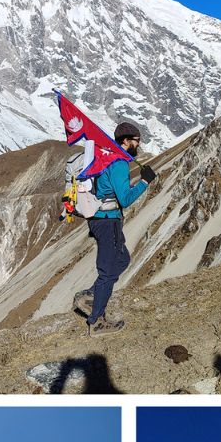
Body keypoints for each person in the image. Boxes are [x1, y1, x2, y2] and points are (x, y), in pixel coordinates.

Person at [73, 121, 155, 337]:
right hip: (108, 221)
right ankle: (96, 321)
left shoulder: (105, 156)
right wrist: (145, 182)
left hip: (99, 219)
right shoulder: (118, 163)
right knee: (108, 272)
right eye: (136, 140)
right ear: (126, 141)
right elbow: (125, 199)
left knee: (122, 259)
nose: (139, 144)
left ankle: (91, 296)